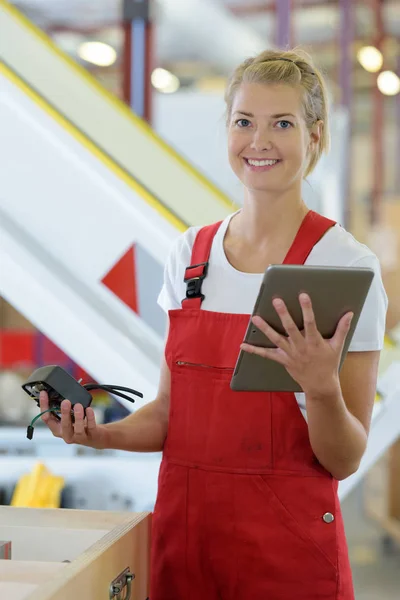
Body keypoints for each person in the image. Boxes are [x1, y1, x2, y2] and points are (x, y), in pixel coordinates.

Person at [40, 48, 388, 599]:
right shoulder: (190, 257)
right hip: (188, 551)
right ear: (226, 129)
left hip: (287, 559)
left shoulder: (344, 267)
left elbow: (343, 458)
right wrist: (100, 435)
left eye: (283, 123)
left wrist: (320, 386)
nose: (260, 141)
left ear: (314, 136)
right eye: (244, 121)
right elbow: (169, 415)